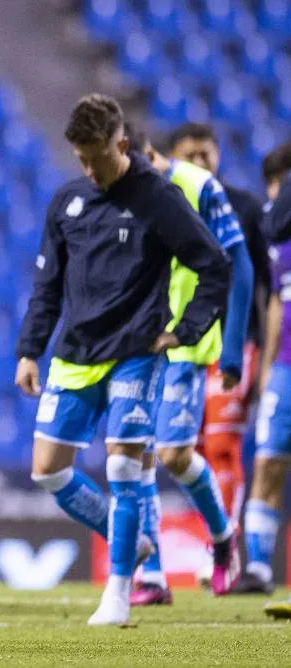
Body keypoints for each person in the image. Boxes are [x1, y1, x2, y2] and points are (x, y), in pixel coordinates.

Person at [15, 94, 230, 626]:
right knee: (47, 471)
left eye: (98, 158)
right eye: (81, 159)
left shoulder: (158, 198)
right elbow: (47, 285)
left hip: (137, 351)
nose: (90, 170)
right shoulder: (68, 200)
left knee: (122, 465)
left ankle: (117, 593)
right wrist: (29, 350)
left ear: (123, 145)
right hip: (76, 352)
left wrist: (185, 331)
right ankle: (125, 536)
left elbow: (214, 263)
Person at [125, 125, 252, 605]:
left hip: (186, 341)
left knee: (175, 456)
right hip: (134, 342)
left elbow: (238, 265)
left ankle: (222, 538)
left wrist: (234, 348)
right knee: (131, 455)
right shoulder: (116, 191)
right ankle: (152, 574)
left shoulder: (198, 187)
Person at [167, 124, 272, 563]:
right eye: (189, 156)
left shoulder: (244, 208)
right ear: (174, 158)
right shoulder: (165, 204)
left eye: (205, 155)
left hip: (235, 342)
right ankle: (219, 536)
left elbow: (268, 290)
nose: (199, 164)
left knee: (224, 447)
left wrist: (263, 359)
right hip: (185, 345)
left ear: (219, 155)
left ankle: (222, 549)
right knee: (189, 451)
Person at [240, 144, 291, 599]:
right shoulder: (279, 245)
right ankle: (257, 568)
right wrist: (268, 366)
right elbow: (276, 302)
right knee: (268, 463)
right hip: (286, 371)